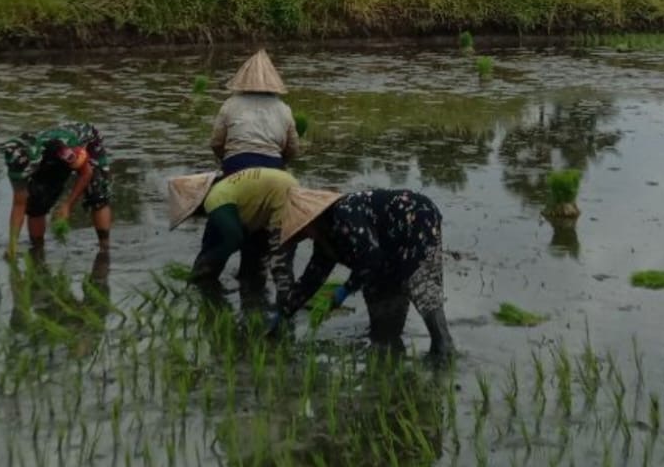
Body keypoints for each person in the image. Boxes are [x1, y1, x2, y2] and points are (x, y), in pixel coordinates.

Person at [270, 187, 455, 357]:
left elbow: (370, 258)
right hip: (384, 251)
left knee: (420, 285)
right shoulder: (325, 242)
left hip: (414, 220)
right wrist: (285, 312)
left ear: (312, 220)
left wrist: (344, 291)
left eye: (304, 230)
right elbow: (311, 280)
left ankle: (443, 347)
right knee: (382, 326)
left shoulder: (344, 213)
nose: (305, 235)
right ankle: (388, 355)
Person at [167, 167, 299, 306]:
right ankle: (256, 304)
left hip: (283, 196)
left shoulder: (215, 199)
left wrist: (208, 264)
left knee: (280, 262)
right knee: (254, 268)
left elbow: (233, 238)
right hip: (280, 187)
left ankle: (286, 308)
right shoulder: (225, 188)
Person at [3, 122, 113, 255]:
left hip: (85, 145)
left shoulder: (62, 150)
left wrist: (67, 205)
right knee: (36, 202)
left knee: (97, 194)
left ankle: (104, 249)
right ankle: (37, 252)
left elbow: (86, 173)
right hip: (49, 160)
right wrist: (12, 246)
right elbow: (19, 203)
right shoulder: (15, 162)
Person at [210, 49, 300, 177]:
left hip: (236, 164)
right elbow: (293, 148)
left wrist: (224, 159)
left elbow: (216, 143)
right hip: (273, 165)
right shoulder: (284, 109)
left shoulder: (230, 104)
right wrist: (281, 162)